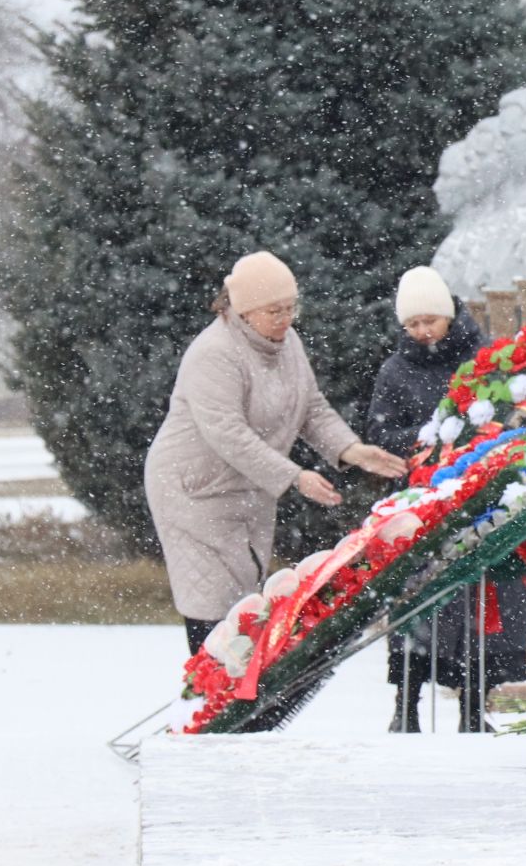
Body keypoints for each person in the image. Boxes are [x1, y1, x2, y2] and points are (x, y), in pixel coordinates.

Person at [145, 251, 408, 656]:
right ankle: (210, 701)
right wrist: (293, 476)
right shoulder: (213, 353)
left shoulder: (288, 344)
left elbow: (311, 407)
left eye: (290, 308)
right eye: (274, 310)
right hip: (192, 489)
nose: (285, 318)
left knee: (245, 601)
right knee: (214, 604)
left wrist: (351, 449)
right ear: (244, 311)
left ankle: (241, 700)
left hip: (245, 486)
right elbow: (227, 433)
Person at [365, 266, 526, 732]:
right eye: (412, 324)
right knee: (418, 600)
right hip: (421, 503)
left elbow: (511, 412)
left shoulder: (484, 361)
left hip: (481, 495)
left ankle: (475, 706)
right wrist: (423, 443)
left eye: (430, 321)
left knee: (485, 600)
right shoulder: (396, 369)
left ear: (448, 315)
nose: (422, 332)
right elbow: (379, 431)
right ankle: (407, 706)